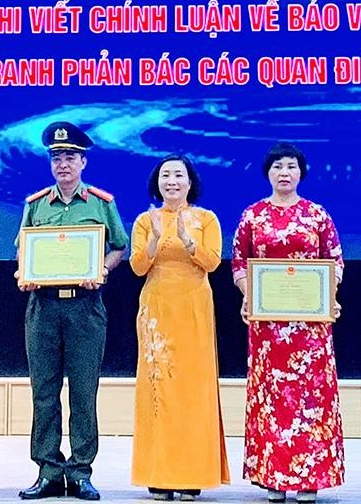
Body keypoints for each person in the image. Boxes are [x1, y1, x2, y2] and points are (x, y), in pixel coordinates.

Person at [15, 121, 128, 500]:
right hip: (43, 307)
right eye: (57, 158)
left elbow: (119, 247)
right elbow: (24, 249)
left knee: (83, 391)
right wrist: (24, 273)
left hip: (85, 308)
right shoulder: (35, 205)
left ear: (83, 163)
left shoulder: (101, 203)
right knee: (43, 392)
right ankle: (48, 470)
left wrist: (102, 270)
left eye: (70, 158)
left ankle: (80, 471)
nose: (63, 165)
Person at [231, 143, 345, 503]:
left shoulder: (317, 215)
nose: (284, 172)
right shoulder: (253, 215)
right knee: (272, 399)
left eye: (291, 166)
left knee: (311, 399)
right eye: (278, 166)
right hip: (268, 328)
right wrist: (249, 294)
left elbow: (335, 262)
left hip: (310, 328)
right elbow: (239, 263)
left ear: (301, 173)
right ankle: (273, 477)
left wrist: (329, 295)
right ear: (268, 172)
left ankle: (310, 478)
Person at [129, 154, 230, 500]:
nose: (171, 181)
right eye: (165, 175)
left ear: (190, 182)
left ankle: (192, 474)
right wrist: (155, 240)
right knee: (159, 391)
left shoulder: (207, 218)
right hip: (157, 310)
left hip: (194, 309)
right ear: (157, 183)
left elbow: (212, 262)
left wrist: (188, 239)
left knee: (192, 391)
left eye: (178, 175)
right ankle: (158, 474)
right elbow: (138, 267)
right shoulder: (146, 220)